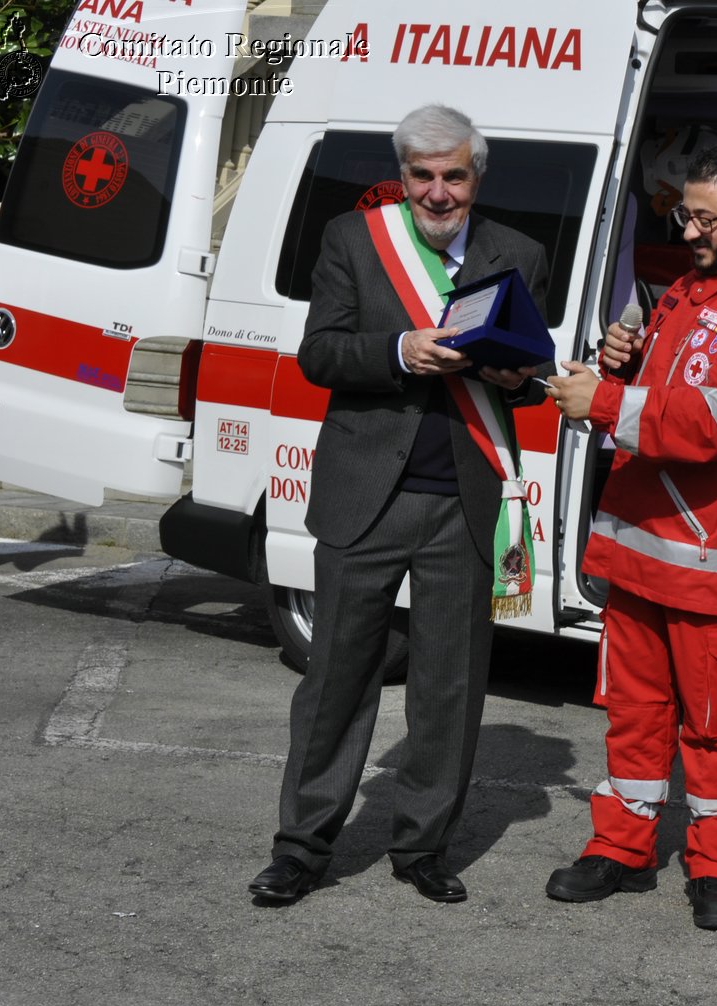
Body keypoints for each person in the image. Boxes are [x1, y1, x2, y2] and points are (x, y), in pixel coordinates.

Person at [247, 103, 550, 905]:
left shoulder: (519, 254)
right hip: (364, 495)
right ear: (403, 175)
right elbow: (320, 352)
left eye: (454, 174)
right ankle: (302, 845)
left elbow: (528, 373)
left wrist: (517, 381)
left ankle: (422, 845)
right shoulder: (355, 239)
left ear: (476, 177)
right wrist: (399, 350)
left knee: (450, 684)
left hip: (464, 495)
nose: (439, 191)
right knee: (337, 679)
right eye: (423, 175)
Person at [541, 144, 717, 931]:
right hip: (640, 551)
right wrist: (623, 364)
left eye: (704, 216)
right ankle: (621, 847)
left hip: (713, 564)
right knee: (633, 714)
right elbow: (663, 394)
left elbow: (704, 425)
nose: (688, 228)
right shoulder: (688, 291)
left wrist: (602, 403)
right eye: (682, 213)